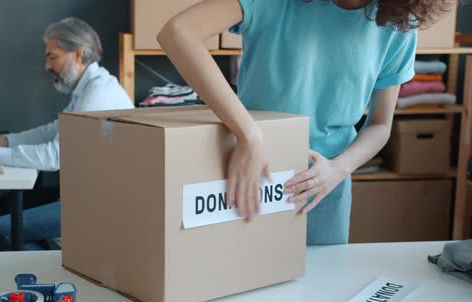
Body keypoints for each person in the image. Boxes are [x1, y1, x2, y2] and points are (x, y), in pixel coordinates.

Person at [158, 0, 450, 244]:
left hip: (324, 189)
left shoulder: (398, 23)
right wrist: (249, 134)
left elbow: (380, 125)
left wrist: (339, 169)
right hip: (252, 177)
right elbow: (178, 32)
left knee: (319, 299)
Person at [0, 17, 134, 250]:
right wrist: (2, 140)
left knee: (0, 229)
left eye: (52, 56)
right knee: (9, 204)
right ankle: (48, 260)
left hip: (99, 204)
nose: (47, 66)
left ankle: (43, 273)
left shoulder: (98, 95)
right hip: (85, 193)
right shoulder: (90, 87)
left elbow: (55, 156)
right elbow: (54, 129)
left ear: (78, 55)